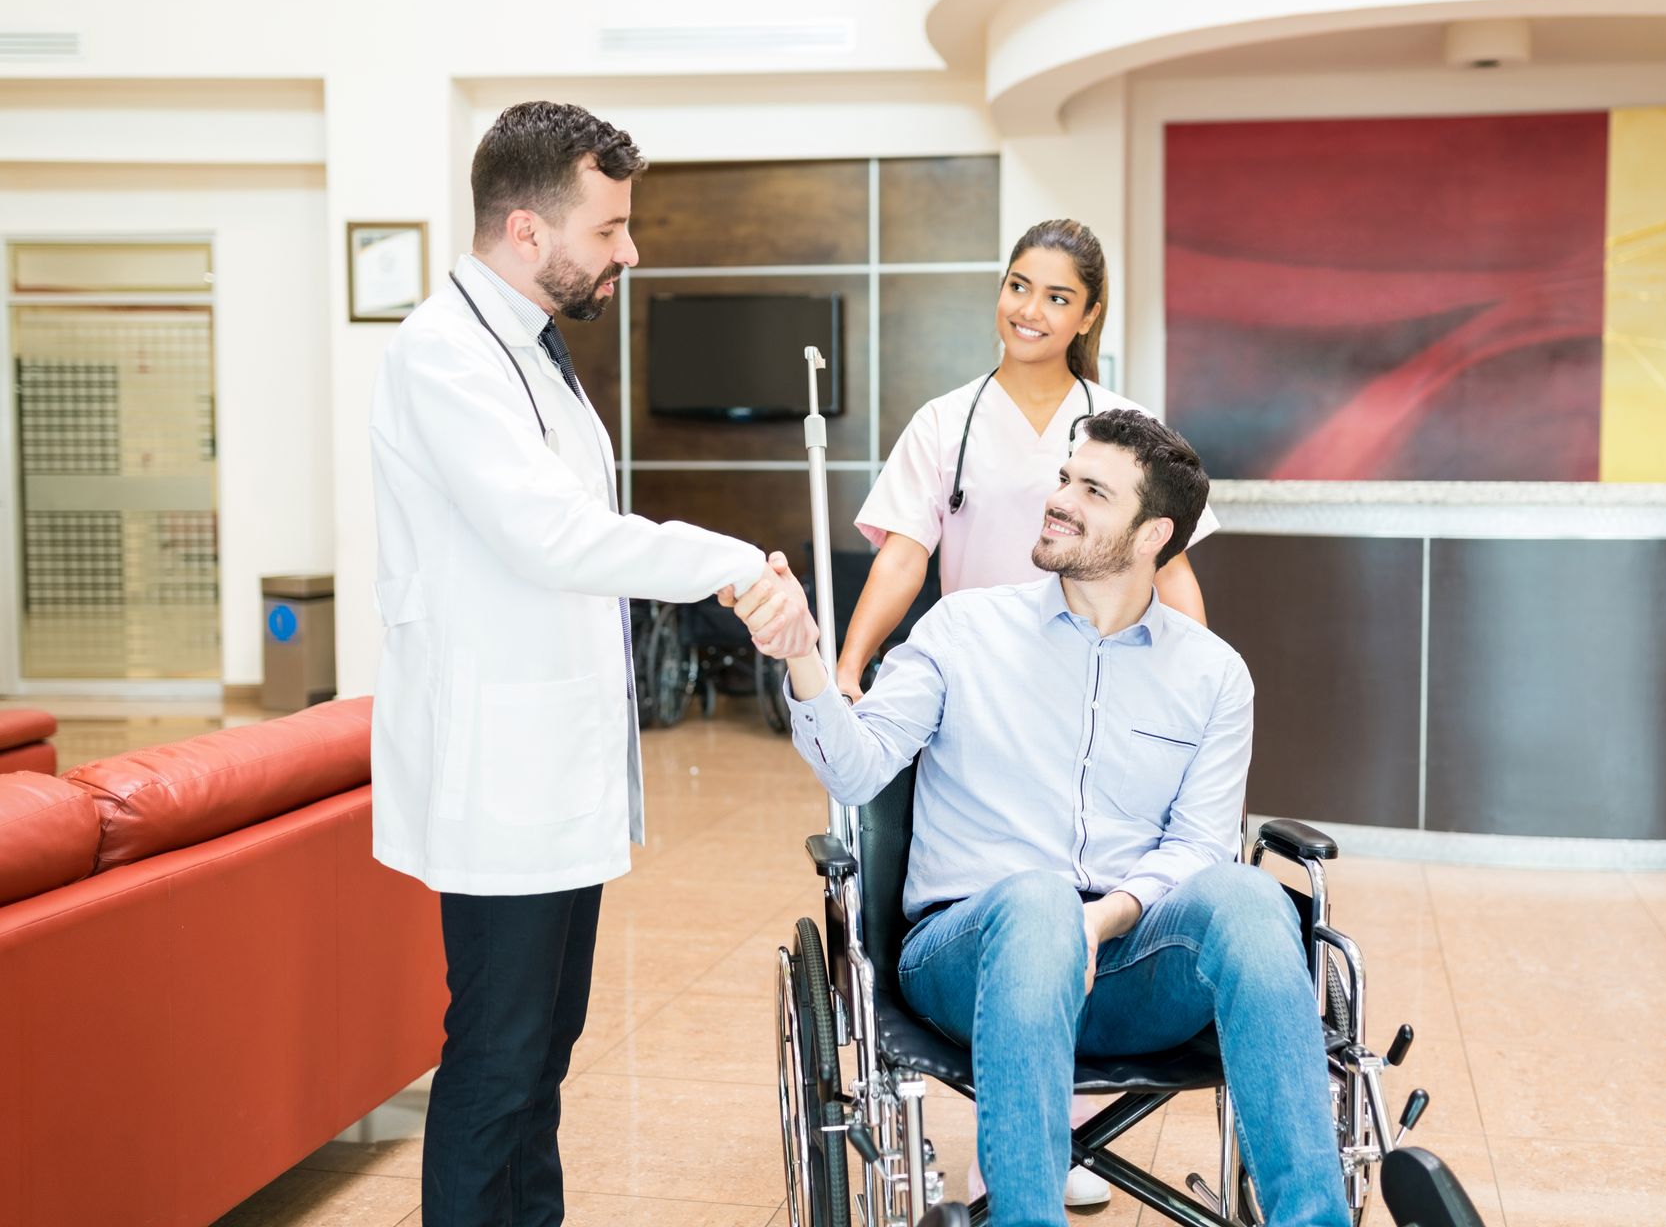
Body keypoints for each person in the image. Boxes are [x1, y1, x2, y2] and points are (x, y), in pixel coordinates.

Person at [728, 409, 1349, 1227]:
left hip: (1131, 967)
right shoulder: (962, 630)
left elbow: (1199, 846)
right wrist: (806, 656)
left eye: (1092, 489)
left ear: (1153, 532)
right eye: (1064, 477)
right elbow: (855, 766)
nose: (1059, 499)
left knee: (1251, 897)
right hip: (971, 953)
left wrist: (1104, 924)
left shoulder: (1213, 675)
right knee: (1038, 901)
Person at [368, 100, 813, 1227]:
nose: (629, 249)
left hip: (555, 767)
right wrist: (726, 565)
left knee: (545, 1054)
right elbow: (551, 535)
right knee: (499, 1057)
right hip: (497, 774)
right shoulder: (440, 353)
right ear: (527, 230)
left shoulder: (536, 346)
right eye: (610, 228)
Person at [836, 218, 1218, 705]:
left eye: (1058, 298)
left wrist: (1199, 679)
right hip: (977, 673)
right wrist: (849, 668)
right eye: (1019, 287)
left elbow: (1168, 567)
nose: (1030, 310)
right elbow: (902, 559)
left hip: (1098, 675)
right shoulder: (943, 421)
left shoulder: (1126, 426)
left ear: (1087, 316)